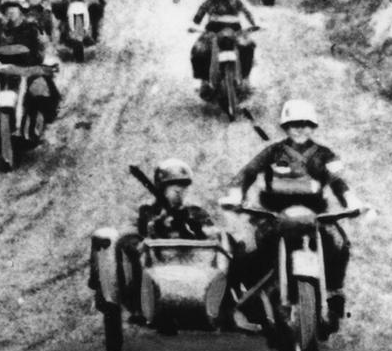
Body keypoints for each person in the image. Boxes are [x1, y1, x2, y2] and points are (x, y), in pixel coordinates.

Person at [223, 100, 361, 326]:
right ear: (285, 127)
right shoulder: (273, 151)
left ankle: (334, 291)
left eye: (306, 124)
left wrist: (351, 200)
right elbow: (248, 172)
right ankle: (240, 300)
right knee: (244, 248)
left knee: (339, 244)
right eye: (294, 124)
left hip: (314, 217)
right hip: (273, 215)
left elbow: (338, 180)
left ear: (313, 126)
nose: (300, 128)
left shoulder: (324, 154)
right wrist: (236, 194)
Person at [115, 158, 214, 309]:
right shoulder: (146, 211)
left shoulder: (196, 212)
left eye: (184, 185)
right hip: (157, 269)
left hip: (193, 269)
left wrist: (195, 229)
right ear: (161, 188)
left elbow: (213, 239)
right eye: (173, 185)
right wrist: (156, 226)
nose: (179, 190)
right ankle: (137, 304)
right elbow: (130, 239)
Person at [0, 0, 59, 122]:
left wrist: (36, 60)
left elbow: (41, 49)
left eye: (14, 7)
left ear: (21, 9)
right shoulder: (2, 29)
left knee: (40, 90)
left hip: (27, 70)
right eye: (7, 7)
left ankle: (37, 118)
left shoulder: (32, 27)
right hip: (5, 71)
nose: (10, 11)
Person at [191, 0, 258, 85]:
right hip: (212, 31)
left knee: (248, 47)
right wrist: (194, 24)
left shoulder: (236, 0)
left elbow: (246, 12)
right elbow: (198, 16)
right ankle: (204, 80)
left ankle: (245, 77)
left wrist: (254, 24)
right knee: (199, 49)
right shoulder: (210, 2)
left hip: (235, 31)